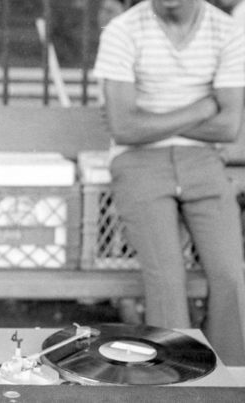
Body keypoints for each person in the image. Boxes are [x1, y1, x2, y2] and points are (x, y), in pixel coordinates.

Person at [95, 0, 245, 365]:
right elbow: (124, 128)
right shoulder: (123, 30)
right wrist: (201, 108)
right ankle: (175, 376)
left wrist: (150, 121)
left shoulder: (229, 31)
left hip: (202, 161)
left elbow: (229, 127)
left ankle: (232, 374)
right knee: (166, 277)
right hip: (138, 162)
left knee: (230, 274)